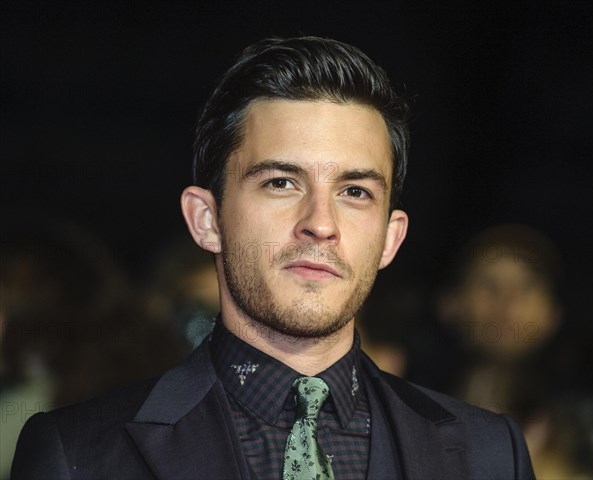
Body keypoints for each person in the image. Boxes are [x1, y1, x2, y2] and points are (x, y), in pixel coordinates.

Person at [11, 36, 535, 480]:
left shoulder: (489, 454)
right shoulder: (78, 455)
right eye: (281, 183)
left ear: (391, 239)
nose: (321, 223)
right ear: (207, 220)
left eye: (355, 192)